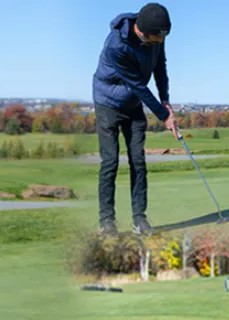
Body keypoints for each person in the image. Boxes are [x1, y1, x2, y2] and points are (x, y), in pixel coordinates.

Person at [92, 2, 179, 237]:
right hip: (108, 103)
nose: (160, 42)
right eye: (157, 39)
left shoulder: (157, 34)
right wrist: (164, 116)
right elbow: (138, 85)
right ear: (143, 32)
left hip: (132, 103)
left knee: (138, 161)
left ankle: (139, 219)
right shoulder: (116, 46)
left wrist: (165, 100)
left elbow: (160, 67)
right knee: (110, 162)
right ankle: (106, 222)